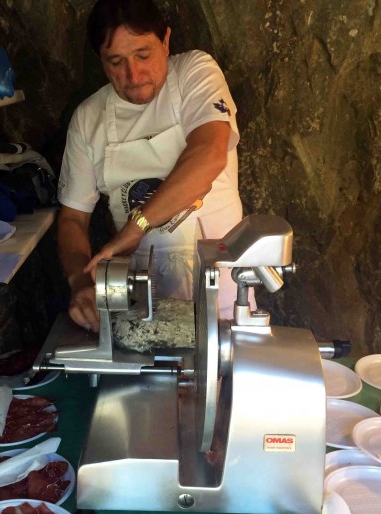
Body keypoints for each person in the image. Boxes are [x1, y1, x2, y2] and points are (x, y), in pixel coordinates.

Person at [57, 0, 246, 332]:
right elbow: (73, 217)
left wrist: (135, 228)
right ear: (100, 61)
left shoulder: (194, 72)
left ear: (166, 41)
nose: (133, 75)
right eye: (116, 62)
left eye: (143, 55)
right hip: (138, 302)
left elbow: (209, 154)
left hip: (225, 296)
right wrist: (80, 282)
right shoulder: (88, 119)